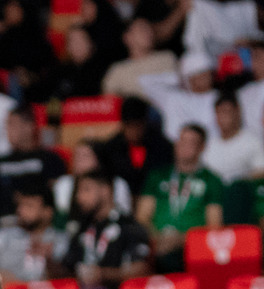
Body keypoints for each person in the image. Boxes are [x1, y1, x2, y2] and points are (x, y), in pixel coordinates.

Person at [57, 171, 152, 289]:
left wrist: (103, 274)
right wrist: (48, 261)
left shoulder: (130, 226)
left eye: (86, 189)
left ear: (105, 190)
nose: (79, 197)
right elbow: (67, 268)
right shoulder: (82, 229)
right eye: (78, 191)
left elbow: (141, 269)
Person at [135, 123, 224, 271]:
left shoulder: (212, 180)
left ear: (202, 147)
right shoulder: (157, 176)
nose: (184, 146)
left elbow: (214, 226)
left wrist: (180, 240)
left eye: (191, 142)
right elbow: (142, 217)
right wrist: (157, 240)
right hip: (156, 244)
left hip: (192, 247)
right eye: (182, 140)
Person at [0, 106, 67, 231]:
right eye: (7, 126)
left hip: (38, 225)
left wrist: (25, 200)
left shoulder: (50, 159)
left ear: (29, 127)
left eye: (12, 124)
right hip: (2, 225)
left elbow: (55, 194)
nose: (8, 131)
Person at [0, 183, 69, 284]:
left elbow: (68, 281)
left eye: (29, 206)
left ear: (48, 212)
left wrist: (49, 260)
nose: (20, 211)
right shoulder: (2, 236)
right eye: (20, 205)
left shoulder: (61, 240)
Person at [100, 96, 176, 199]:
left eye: (138, 126)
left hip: (154, 199)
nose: (134, 132)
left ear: (145, 123)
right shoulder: (110, 149)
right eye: (129, 126)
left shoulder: (163, 147)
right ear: (122, 125)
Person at [140, 51, 220, 141]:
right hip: (176, 147)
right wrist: (178, 78)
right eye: (199, 73)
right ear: (190, 77)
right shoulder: (173, 98)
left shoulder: (220, 97)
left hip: (211, 147)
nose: (204, 77)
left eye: (207, 72)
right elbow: (145, 83)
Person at [53, 139, 133, 221]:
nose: (79, 161)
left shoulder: (117, 183)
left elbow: (124, 215)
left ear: (99, 159)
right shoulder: (64, 183)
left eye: (85, 156)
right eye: (76, 156)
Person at [102, 18, 179, 98]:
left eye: (149, 29)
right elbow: (109, 102)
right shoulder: (118, 71)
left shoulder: (167, 58)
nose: (148, 33)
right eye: (141, 30)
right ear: (127, 37)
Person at [203, 92, 264, 183]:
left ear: (237, 112)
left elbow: (261, 170)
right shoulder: (209, 144)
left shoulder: (252, 141)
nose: (223, 117)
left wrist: (238, 181)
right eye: (219, 112)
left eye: (227, 111)